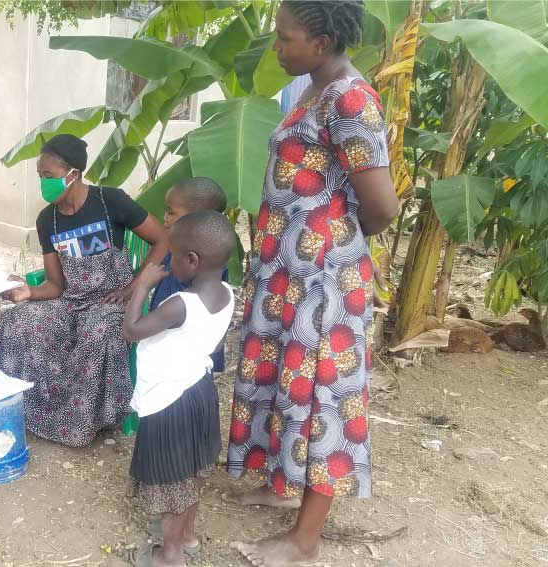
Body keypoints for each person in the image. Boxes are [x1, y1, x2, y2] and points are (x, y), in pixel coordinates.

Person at [225, 1, 399, 566]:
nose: (276, 47)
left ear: (321, 43)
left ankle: (305, 539)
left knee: (322, 394)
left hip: (323, 279)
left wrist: (333, 239)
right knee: (288, 382)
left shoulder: (350, 99)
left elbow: (382, 206)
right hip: (288, 273)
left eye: (285, 38)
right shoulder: (313, 89)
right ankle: (281, 483)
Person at [0, 134, 169, 447]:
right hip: (71, 301)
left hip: (113, 300)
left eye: (48, 176)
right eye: (40, 176)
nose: (43, 183)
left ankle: (80, 421)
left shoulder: (109, 201)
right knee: (17, 321)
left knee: (96, 330)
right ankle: (26, 406)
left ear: (73, 174)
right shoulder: (47, 220)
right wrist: (28, 293)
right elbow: (55, 285)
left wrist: (133, 288)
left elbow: (162, 240)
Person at [122, 211, 236, 567]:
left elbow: (131, 330)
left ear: (192, 260)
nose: (168, 262)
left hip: (170, 400)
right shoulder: (228, 294)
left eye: (172, 255)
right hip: (201, 391)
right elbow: (215, 344)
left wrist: (143, 285)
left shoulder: (180, 305)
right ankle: (186, 537)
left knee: (174, 479)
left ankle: (169, 556)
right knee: (193, 472)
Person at [150, 177, 230, 375]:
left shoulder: (200, 264)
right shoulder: (184, 251)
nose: (165, 217)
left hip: (182, 359)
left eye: (171, 212)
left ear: (196, 217)